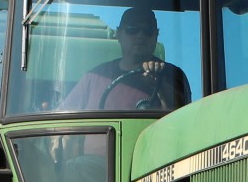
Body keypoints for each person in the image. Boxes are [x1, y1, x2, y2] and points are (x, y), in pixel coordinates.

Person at [59, 7, 191, 112]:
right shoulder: (94, 77)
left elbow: (185, 117)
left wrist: (160, 85)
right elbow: (65, 121)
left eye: (147, 30)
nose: (140, 34)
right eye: (132, 28)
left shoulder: (172, 75)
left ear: (156, 35)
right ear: (119, 34)